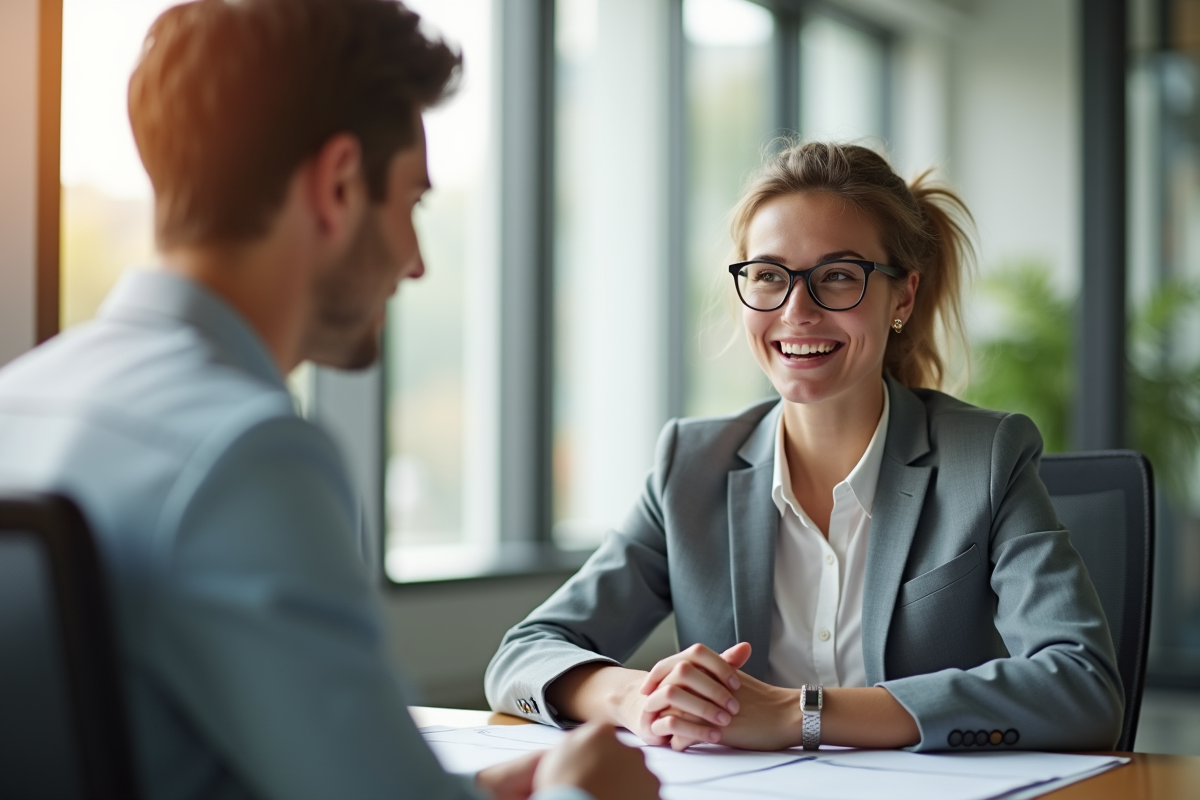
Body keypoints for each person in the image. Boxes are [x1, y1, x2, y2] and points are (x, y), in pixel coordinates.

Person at [0, 1, 661, 799]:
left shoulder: (18, 405)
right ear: (338, 184)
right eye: (411, 203)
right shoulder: (244, 456)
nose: (416, 262)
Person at [486, 142, 1124, 754]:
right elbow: (524, 654)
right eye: (769, 276)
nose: (797, 311)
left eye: (838, 276)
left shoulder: (984, 459)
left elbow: (1084, 685)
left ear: (902, 295)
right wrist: (638, 698)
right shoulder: (692, 466)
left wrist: (798, 715)